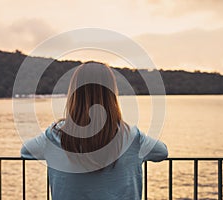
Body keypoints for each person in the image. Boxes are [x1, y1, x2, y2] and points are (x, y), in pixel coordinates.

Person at [21, 61, 168, 200]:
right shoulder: (132, 136)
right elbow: (162, 152)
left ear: (74, 94)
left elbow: (26, 151)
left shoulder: (55, 135)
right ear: (111, 95)